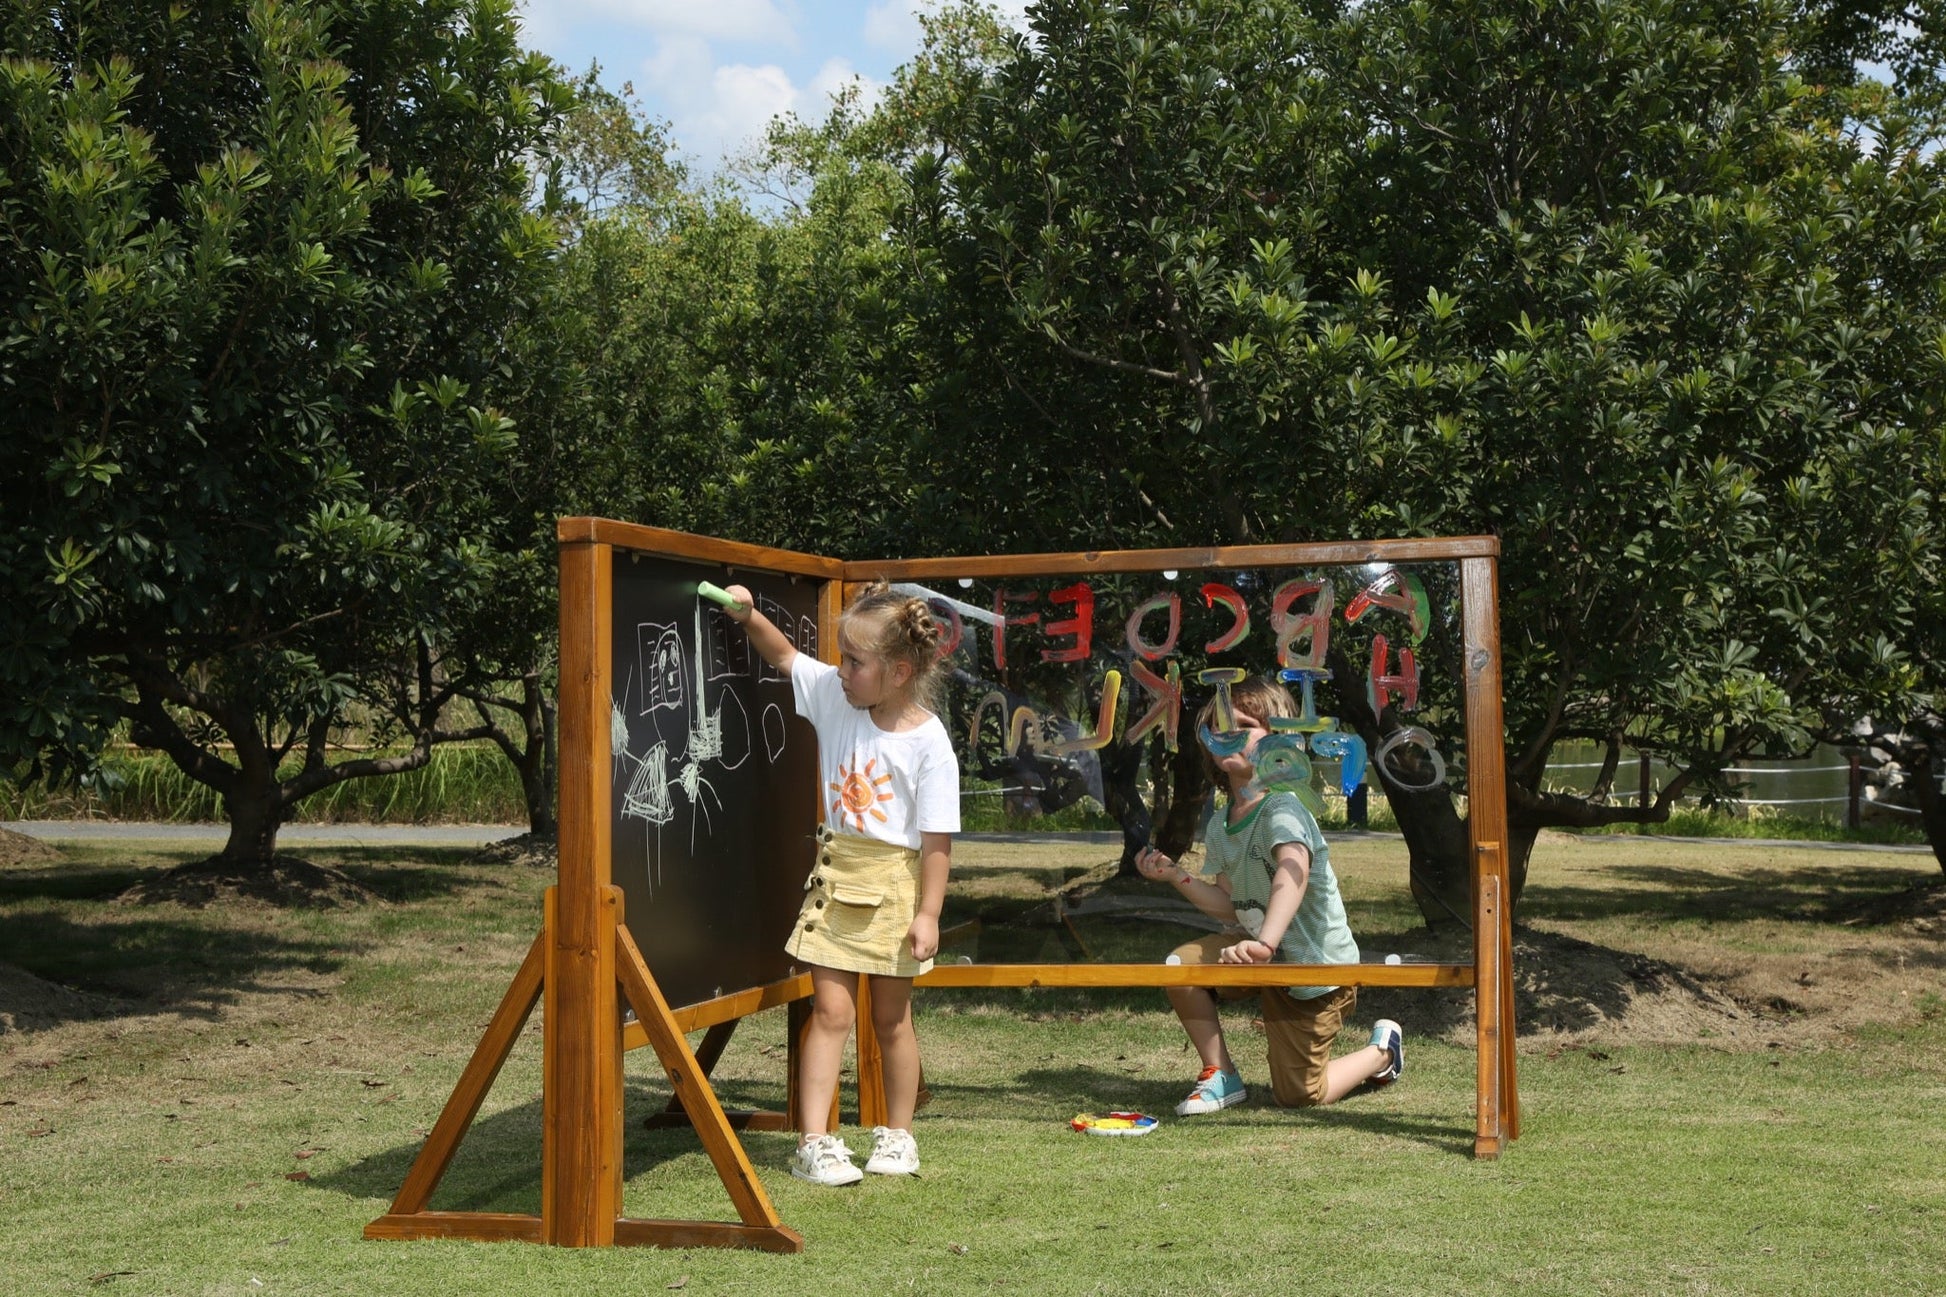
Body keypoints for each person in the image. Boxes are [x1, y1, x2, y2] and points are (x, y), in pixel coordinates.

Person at [722, 579, 958, 1186]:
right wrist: (749, 616)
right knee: (830, 1011)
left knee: (891, 1020)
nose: (842, 670)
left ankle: (898, 1135)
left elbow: (936, 843)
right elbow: (782, 655)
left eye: (856, 661)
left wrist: (929, 913)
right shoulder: (833, 695)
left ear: (900, 671)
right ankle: (816, 1143)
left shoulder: (929, 743)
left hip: (896, 886)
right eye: (843, 658)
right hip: (837, 874)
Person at [1134, 675, 1402, 1115]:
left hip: (1315, 975)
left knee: (1298, 1095)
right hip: (1263, 955)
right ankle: (1221, 1074)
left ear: (1279, 741)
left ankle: (1383, 1052)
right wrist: (1176, 876)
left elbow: (1291, 876)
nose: (1227, 736)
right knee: (1181, 968)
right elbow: (1230, 905)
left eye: (1242, 724)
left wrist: (1265, 944)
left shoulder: (1283, 805)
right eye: (1218, 727)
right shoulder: (1222, 822)